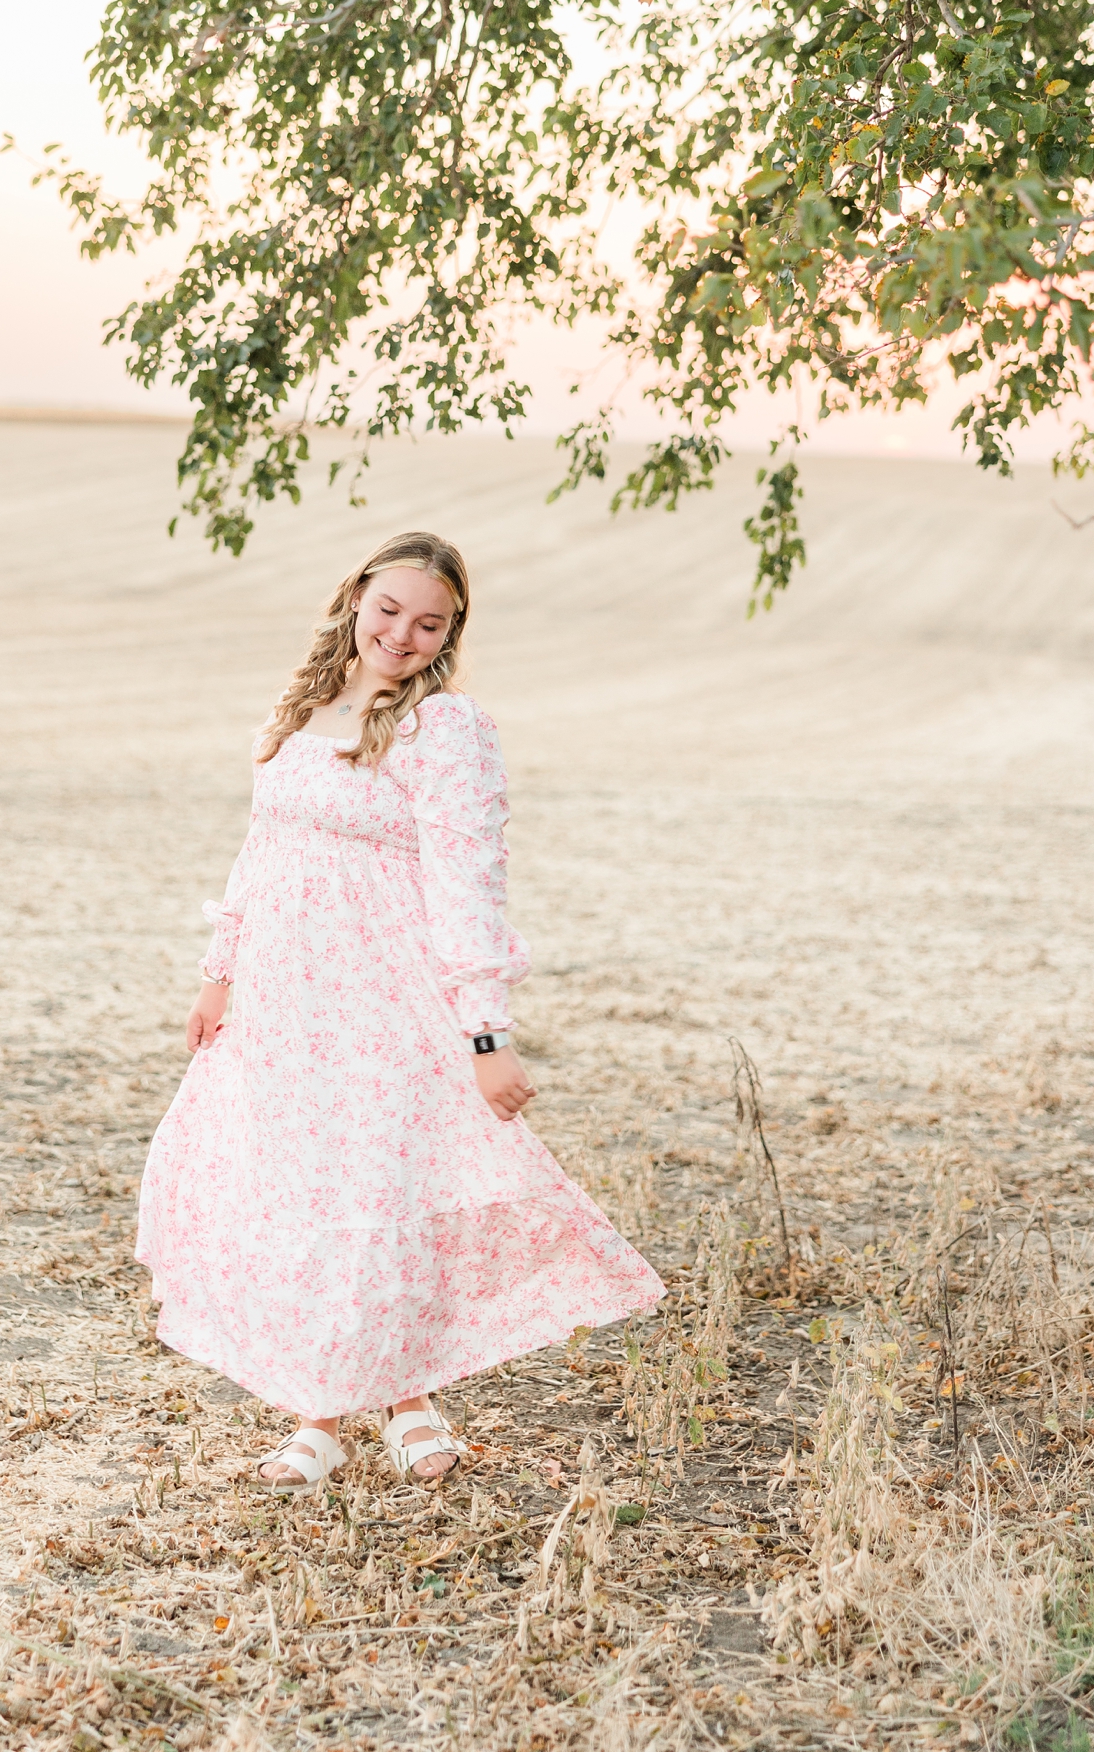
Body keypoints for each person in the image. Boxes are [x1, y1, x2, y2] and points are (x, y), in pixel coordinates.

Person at [136, 531, 664, 1488]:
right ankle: (320, 1415)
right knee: (302, 1191)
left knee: (386, 1194)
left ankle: (411, 1398)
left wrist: (486, 1032)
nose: (403, 635)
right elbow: (260, 852)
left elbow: (472, 884)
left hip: (388, 1001)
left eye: (431, 623)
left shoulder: (445, 730)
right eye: (389, 610)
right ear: (354, 598)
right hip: (285, 999)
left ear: (451, 632)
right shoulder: (299, 712)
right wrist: (222, 972)